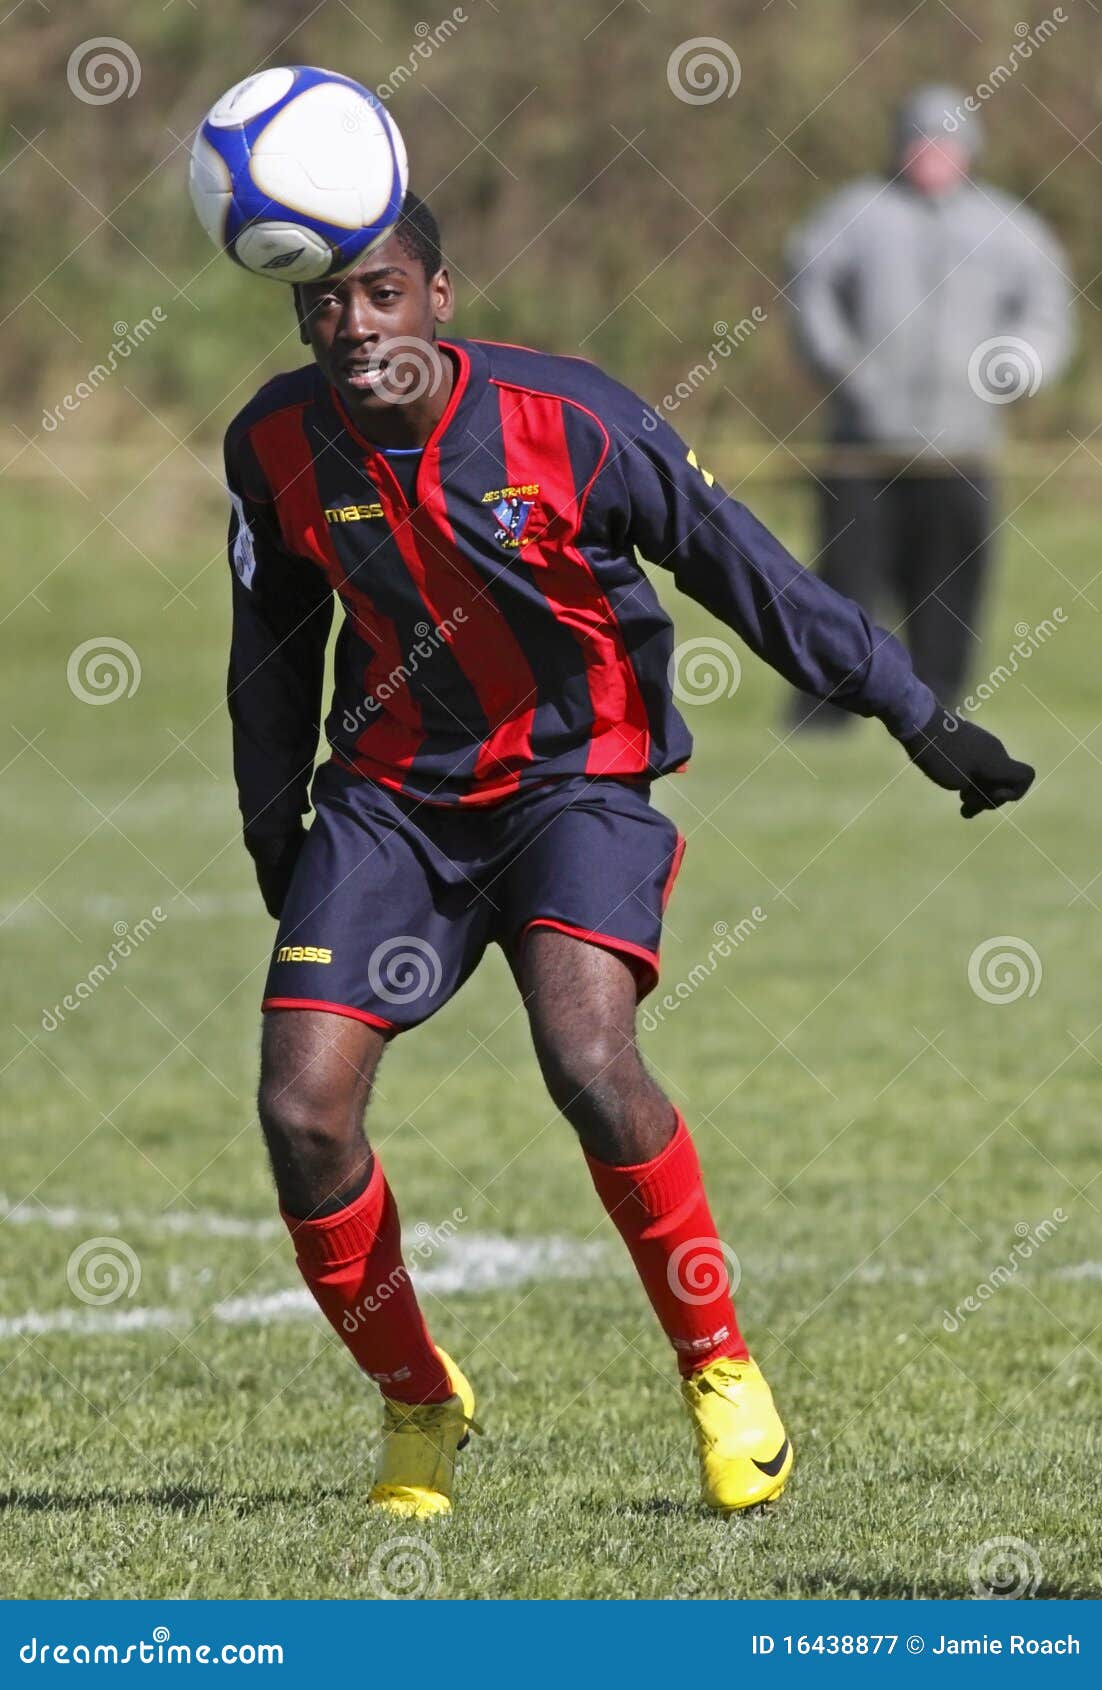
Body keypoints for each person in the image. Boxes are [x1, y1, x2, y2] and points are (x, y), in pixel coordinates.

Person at [223, 190, 1033, 1520]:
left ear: (440, 297)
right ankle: (420, 1404)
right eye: (324, 300)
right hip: (388, 799)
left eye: (380, 293)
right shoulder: (272, 441)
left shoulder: (575, 421)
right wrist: (276, 827)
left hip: (573, 782)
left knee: (590, 1060)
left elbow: (742, 565)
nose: (351, 324)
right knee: (302, 1111)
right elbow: (270, 640)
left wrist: (911, 706)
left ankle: (719, 1369)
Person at [786, 84, 1072, 719]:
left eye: (945, 145)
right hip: (865, 447)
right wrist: (844, 368)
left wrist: (1016, 369)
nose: (931, 157)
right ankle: (826, 716)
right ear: (898, 146)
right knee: (844, 588)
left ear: (968, 151)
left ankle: (939, 712)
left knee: (950, 589)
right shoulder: (853, 214)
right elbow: (810, 290)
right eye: (919, 143)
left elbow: (1049, 316)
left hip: (961, 448)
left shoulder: (1010, 227)